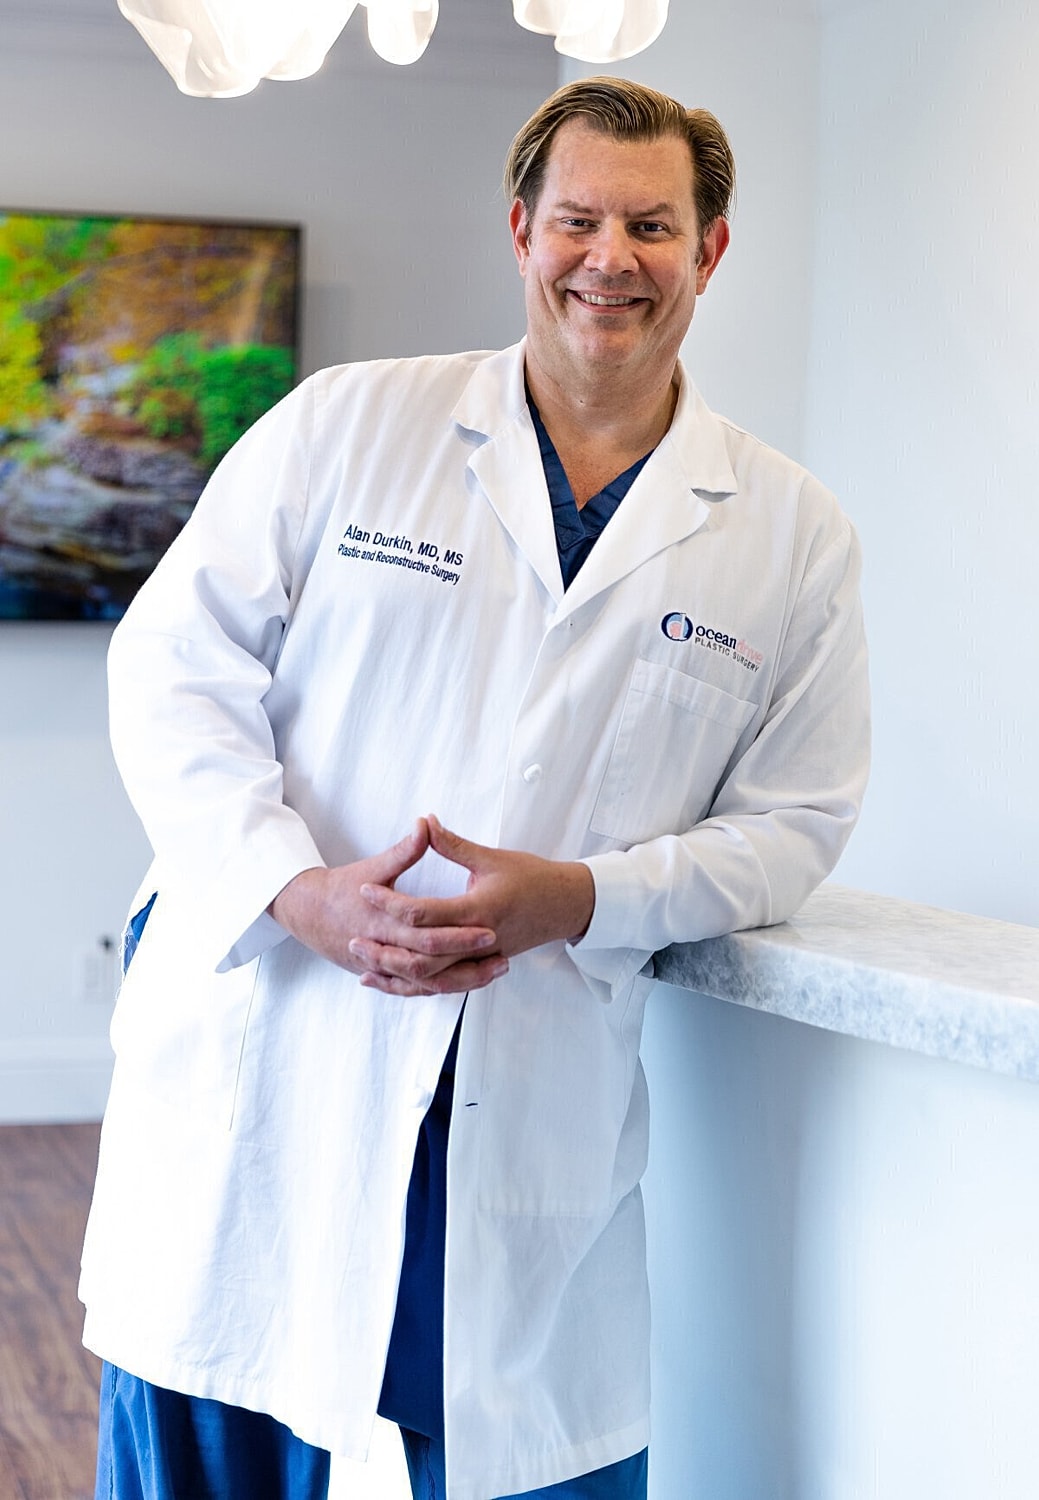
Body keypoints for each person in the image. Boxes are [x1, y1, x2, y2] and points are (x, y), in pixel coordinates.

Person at [80, 76, 870, 1500]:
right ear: (520, 231)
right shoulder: (351, 424)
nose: (611, 258)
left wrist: (583, 896)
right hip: (279, 1049)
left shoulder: (790, 533)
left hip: (527, 1092)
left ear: (710, 250)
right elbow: (170, 668)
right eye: (579, 220)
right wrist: (296, 890)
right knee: (213, 1435)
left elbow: (794, 827)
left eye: (653, 225)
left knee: (527, 1451)